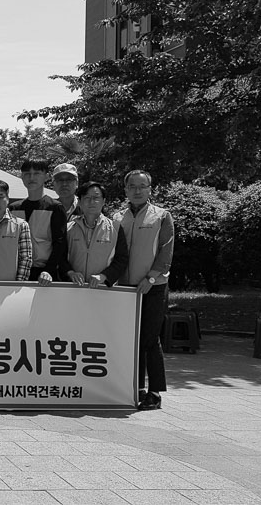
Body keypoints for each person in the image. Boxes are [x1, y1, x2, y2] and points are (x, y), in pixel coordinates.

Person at [115, 169, 175, 411]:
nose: (137, 191)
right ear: (126, 189)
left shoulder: (162, 216)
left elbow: (166, 252)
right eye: (132, 186)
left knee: (150, 339)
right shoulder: (117, 217)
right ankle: (136, 388)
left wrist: (151, 278)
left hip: (153, 287)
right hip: (125, 288)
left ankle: (155, 392)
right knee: (131, 339)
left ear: (150, 189)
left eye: (142, 186)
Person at [9, 159, 67, 283]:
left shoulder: (55, 207)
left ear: (46, 176)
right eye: (27, 174)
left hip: (45, 274)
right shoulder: (13, 208)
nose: (31, 178)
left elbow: (60, 244)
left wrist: (48, 270)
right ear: (22, 177)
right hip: (16, 272)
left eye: (36, 173)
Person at [65, 182, 128, 287]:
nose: (92, 201)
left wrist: (104, 276)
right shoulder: (68, 228)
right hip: (73, 287)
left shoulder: (115, 228)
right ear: (79, 202)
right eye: (87, 198)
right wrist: (71, 273)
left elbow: (122, 259)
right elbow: (61, 258)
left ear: (103, 201)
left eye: (96, 197)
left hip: (103, 289)